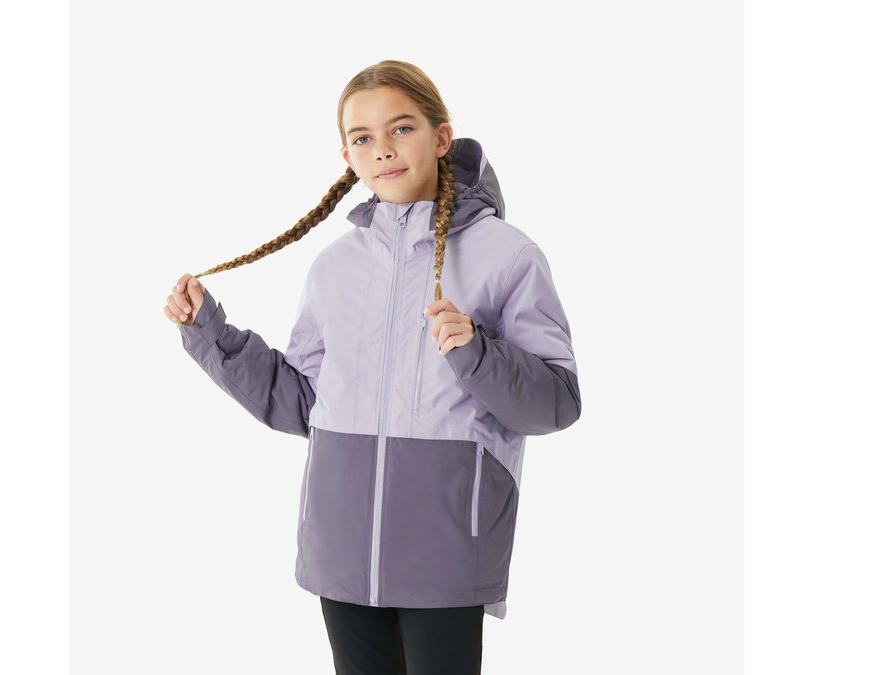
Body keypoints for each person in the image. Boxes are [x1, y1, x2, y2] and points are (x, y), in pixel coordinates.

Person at [163, 60, 581, 675]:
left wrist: (477, 353)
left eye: (401, 128)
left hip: (447, 549)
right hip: (341, 547)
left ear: (441, 138)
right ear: (347, 157)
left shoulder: (508, 256)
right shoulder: (334, 265)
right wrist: (211, 335)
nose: (382, 149)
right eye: (362, 138)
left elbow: (557, 402)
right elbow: (301, 403)